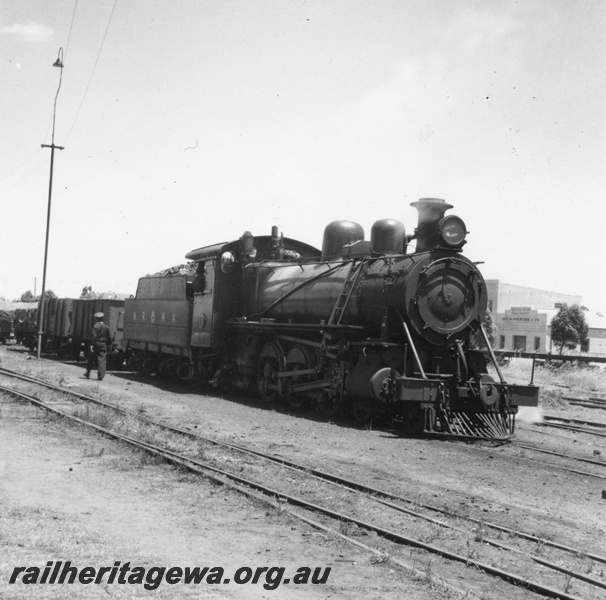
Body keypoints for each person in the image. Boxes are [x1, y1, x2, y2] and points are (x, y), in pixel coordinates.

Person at [85, 312, 112, 380]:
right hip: (103, 344)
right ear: (102, 318)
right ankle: (100, 376)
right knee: (102, 359)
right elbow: (109, 337)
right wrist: (108, 345)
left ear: (96, 319)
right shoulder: (106, 327)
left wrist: (91, 345)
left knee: (91, 357)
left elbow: (94, 336)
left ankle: (88, 373)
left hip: (96, 344)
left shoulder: (95, 326)